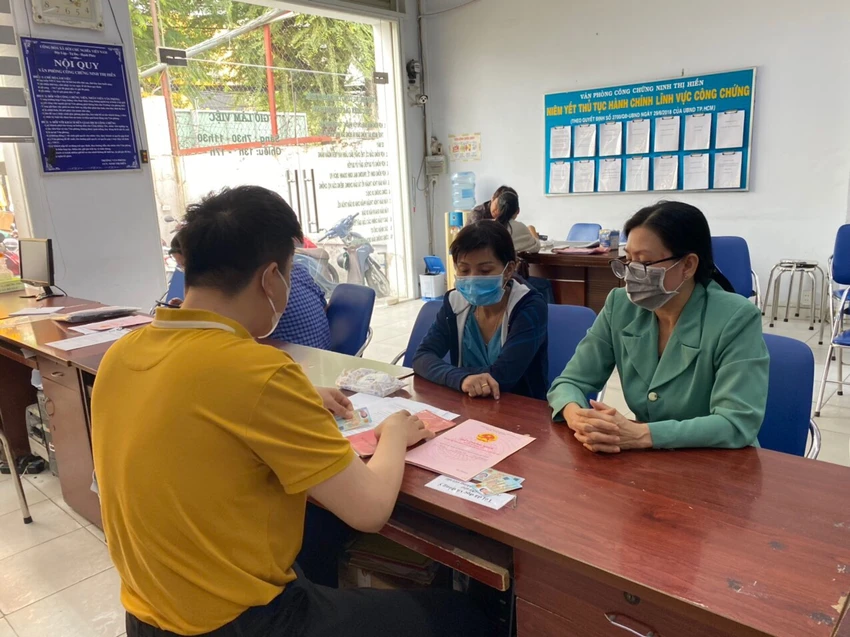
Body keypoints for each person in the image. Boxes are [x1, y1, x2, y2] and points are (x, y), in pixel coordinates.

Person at [91, 186, 489, 637]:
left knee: (316, 535)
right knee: (462, 618)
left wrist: (296, 396)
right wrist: (395, 432)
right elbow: (370, 510)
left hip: (147, 614)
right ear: (271, 278)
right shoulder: (257, 372)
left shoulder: (123, 352)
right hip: (237, 623)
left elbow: (195, 417)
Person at [548, 201, 769, 453]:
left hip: (717, 461)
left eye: (644, 263)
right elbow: (569, 382)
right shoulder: (620, 306)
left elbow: (736, 423)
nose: (631, 274)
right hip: (648, 461)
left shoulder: (736, 317)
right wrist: (577, 416)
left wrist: (643, 435)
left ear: (688, 265)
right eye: (628, 260)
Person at [413, 220, 548, 400]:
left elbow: (503, 377)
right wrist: (461, 379)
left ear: (509, 270)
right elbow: (422, 357)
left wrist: (450, 375)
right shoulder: (455, 302)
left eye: (484, 271)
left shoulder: (529, 307)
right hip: (468, 402)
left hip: (519, 407)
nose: (472, 279)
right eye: (464, 270)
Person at [268, 259, 331, 350]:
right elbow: (324, 306)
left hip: (292, 356)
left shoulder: (266, 284)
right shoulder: (300, 271)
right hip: (325, 353)